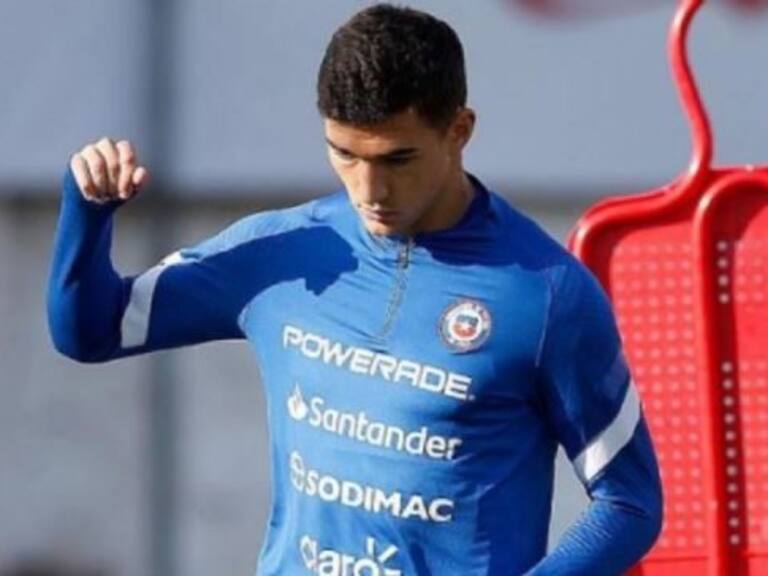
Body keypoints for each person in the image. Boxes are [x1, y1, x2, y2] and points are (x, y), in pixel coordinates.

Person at [47, 4, 663, 575]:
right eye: (343, 153)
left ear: (459, 130)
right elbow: (92, 329)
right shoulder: (283, 250)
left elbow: (629, 502)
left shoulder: (548, 294)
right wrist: (87, 207)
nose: (370, 189)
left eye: (398, 159)